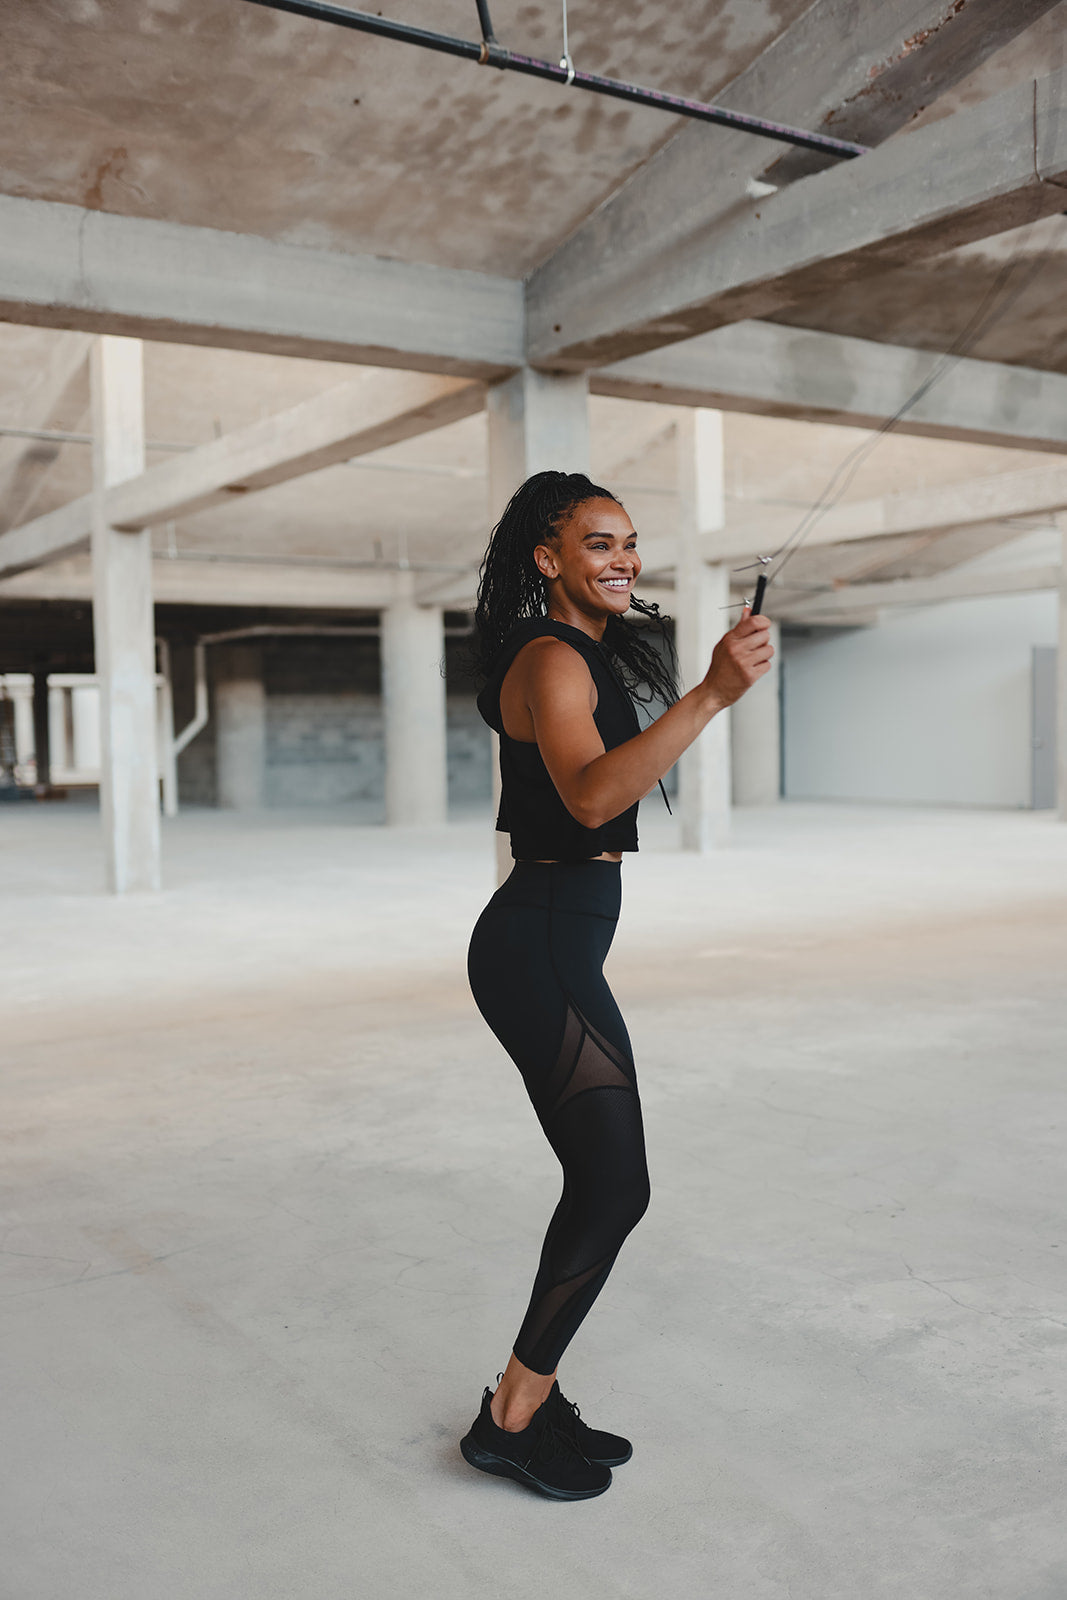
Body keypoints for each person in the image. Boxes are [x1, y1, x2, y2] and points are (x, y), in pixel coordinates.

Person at [460, 470, 773, 1500]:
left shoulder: (574, 652)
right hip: (538, 944)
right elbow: (592, 798)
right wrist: (712, 694)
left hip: (557, 942)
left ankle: (524, 1395)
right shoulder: (549, 656)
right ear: (548, 560)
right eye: (597, 543)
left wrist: (705, 690)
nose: (621, 558)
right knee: (613, 1184)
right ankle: (511, 1417)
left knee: (606, 1180)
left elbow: (606, 773)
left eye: (629, 541)